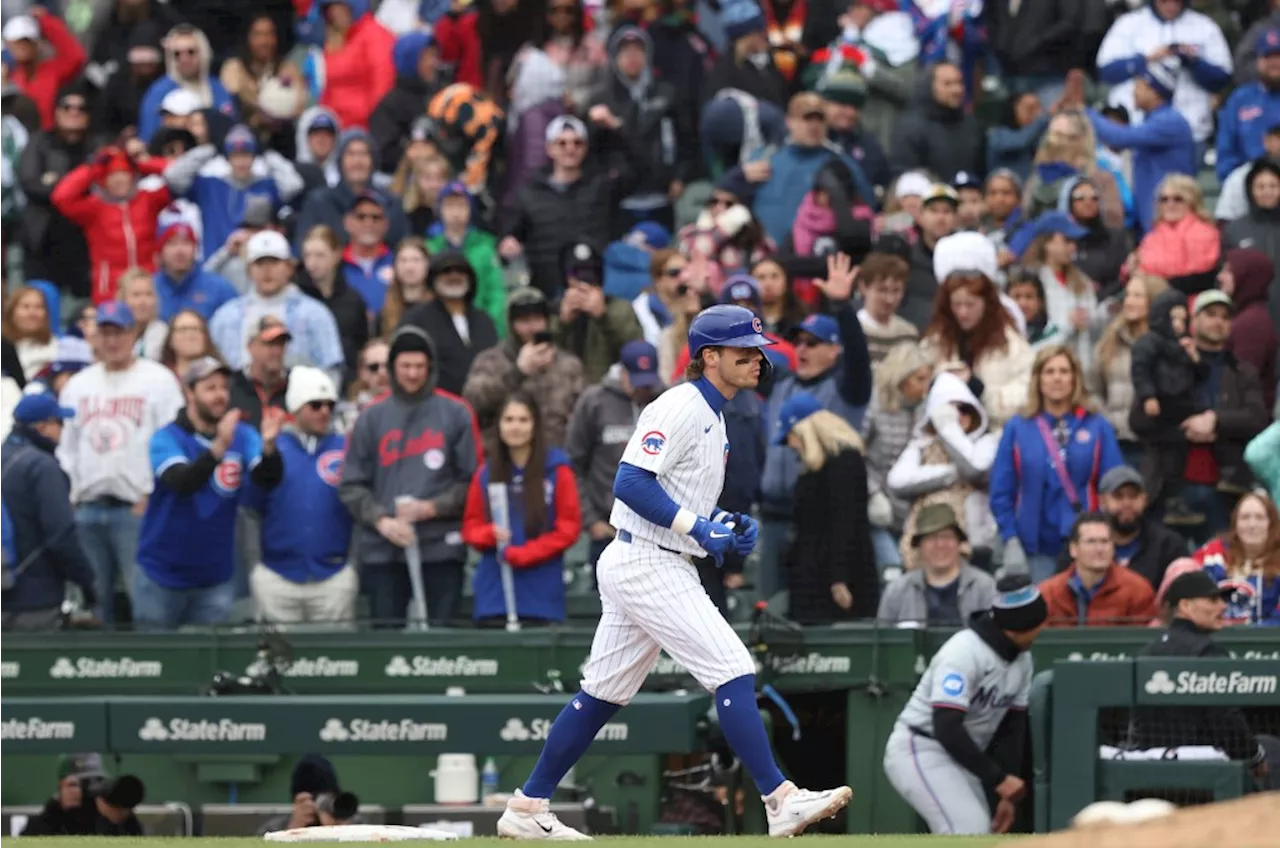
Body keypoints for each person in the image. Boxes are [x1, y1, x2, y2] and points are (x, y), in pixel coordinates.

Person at [496, 305, 851, 840]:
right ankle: (780, 799)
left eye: (758, 350)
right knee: (731, 665)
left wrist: (722, 524)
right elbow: (630, 483)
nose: (758, 359)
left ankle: (526, 808)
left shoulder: (714, 413)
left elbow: (678, 496)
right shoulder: (681, 405)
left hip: (652, 555)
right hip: (646, 559)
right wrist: (697, 527)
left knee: (603, 693)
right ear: (709, 357)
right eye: (743, 351)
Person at [882, 578, 1047, 835]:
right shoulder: (964, 651)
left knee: (981, 833)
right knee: (966, 830)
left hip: (963, 757)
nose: (1042, 629)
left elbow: (1011, 731)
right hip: (922, 747)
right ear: (1018, 627)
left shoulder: (1022, 661)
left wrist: (1008, 792)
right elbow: (946, 725)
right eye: (1037, 624)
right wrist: (998, 779)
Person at [339, 327, 479, 627]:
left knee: (444, 644)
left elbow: (472, 481)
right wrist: (381, 520)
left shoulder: (456, 413)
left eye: (419, 366)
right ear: (392, 368)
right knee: (387, 645)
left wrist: (433, 507)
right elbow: (351, 484)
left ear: (430, 367)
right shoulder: (371, 417)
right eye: (405, 366)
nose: (413, 374)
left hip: (441, 549)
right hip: (383, 552)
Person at [58, 302, 185, 628]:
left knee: (146, 602)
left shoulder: (158, 380)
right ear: (95, 337)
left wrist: (153, 495)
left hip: (137, 509)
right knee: (95, 606)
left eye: (119, 332)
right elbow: (67, 447)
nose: (112, 341)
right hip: (87, 507)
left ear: (133, 334)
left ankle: (151, 671)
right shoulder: (78, 385)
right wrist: (71, 493)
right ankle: (101, 674)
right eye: (105, 332)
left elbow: (174, 442)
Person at [134, 357, 285, 630]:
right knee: (155, 663)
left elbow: (267, 479)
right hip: (162, 573)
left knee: (208, 666)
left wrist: (270, 447)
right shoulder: (166, 438)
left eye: (224, 388)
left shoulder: (242, 434)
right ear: (189, 392)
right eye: (210, 388)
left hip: (215, 576)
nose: (220, 396)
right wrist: (219, 448)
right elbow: (182, 482)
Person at [1132, 570, 1280, 788]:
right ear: (1185, 606)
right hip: (1203, 769)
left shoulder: (1147, 652)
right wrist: (1255, 756)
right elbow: (1226, 720)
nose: (1222, 606)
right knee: (1270, 747)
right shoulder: (1207, 651)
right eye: (1213, 600)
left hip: (1152, 767)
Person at [991, 345, 1124, 583]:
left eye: (1064, 371)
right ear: (1037, 379)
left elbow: (1113, 486)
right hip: (1035, 546)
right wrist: (1010, 538)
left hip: (1085, 545)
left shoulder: (1097, 425)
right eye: (1049, 371)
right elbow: (1002, 492)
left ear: (1075, 378)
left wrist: (1105, 537)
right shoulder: (1018, 427)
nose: (1057, 378)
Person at [245, 367, 356, 628]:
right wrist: (255, 567)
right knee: (275, 662)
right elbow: (249, 509)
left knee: (339, 664)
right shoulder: (272, 447)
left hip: (334, 575)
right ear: (296, 408)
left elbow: (358, 507)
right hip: (276, 576)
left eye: (330, 405)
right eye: (315, 405)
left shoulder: (346, 447)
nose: (324, 412)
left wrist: (354, 565)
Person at [462, 392, 581, 626]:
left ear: (535, 424)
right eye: (509, 420)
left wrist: (527, 553)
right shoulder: (486, 473)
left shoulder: (557, 471)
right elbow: (471, 527)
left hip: (541, 593)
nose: (515, 427)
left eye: (523, 420)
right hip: (495, 593)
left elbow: (568, 528)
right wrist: (489, 535)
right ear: (499, 425)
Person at [773, 393, 878, 623]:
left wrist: (839, 577)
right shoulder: (812, 468)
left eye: (791, 435)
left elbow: (846, 520)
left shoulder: (845, 462)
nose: (790, 444)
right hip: (811, 578)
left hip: (835, 580)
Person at [0, 394, 97, 632]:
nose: (62, 431)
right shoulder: (42, 467)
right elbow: (61, 536)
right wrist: (87, 581)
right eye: (59, 423)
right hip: (33, 597)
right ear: (42, 426)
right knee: (36, 667)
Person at [565, 340, 662, 569]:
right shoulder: (594, 401)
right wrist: (591, 520)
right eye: (637, 381)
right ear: (622, 372)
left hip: (656, 533)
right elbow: (572, 464)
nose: (643, 389)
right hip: (608, 531)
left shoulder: (664, 400)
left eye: (648, 382)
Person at [876, 503, 998, 625]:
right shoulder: (897, 591)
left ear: (958, 542)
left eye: (947, 537)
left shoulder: (985, 587)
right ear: (920, 545)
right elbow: (882, 637)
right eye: (931, 538)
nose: (940, 545)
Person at [1038, 511, 1158, 626]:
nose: (1099, 549)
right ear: (1073, 549)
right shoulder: (1048, 593)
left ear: (1113, 547)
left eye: (1105, 541)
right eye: (1091, 542)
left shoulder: (1138, 590)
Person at [1191, 492, 1280, 626]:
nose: (1252, 525)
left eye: (1260, 518)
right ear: (1235, 524)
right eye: (1245, 518)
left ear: (1271, 524)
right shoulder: (1212, 554)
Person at [20, 754, 144, 836]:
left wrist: (120, 817)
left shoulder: (110, 815)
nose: (87, 789)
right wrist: (58, 810)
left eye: (97, 780)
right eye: (80, 783)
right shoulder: (48, 819)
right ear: (61, 785)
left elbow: (137, 838)